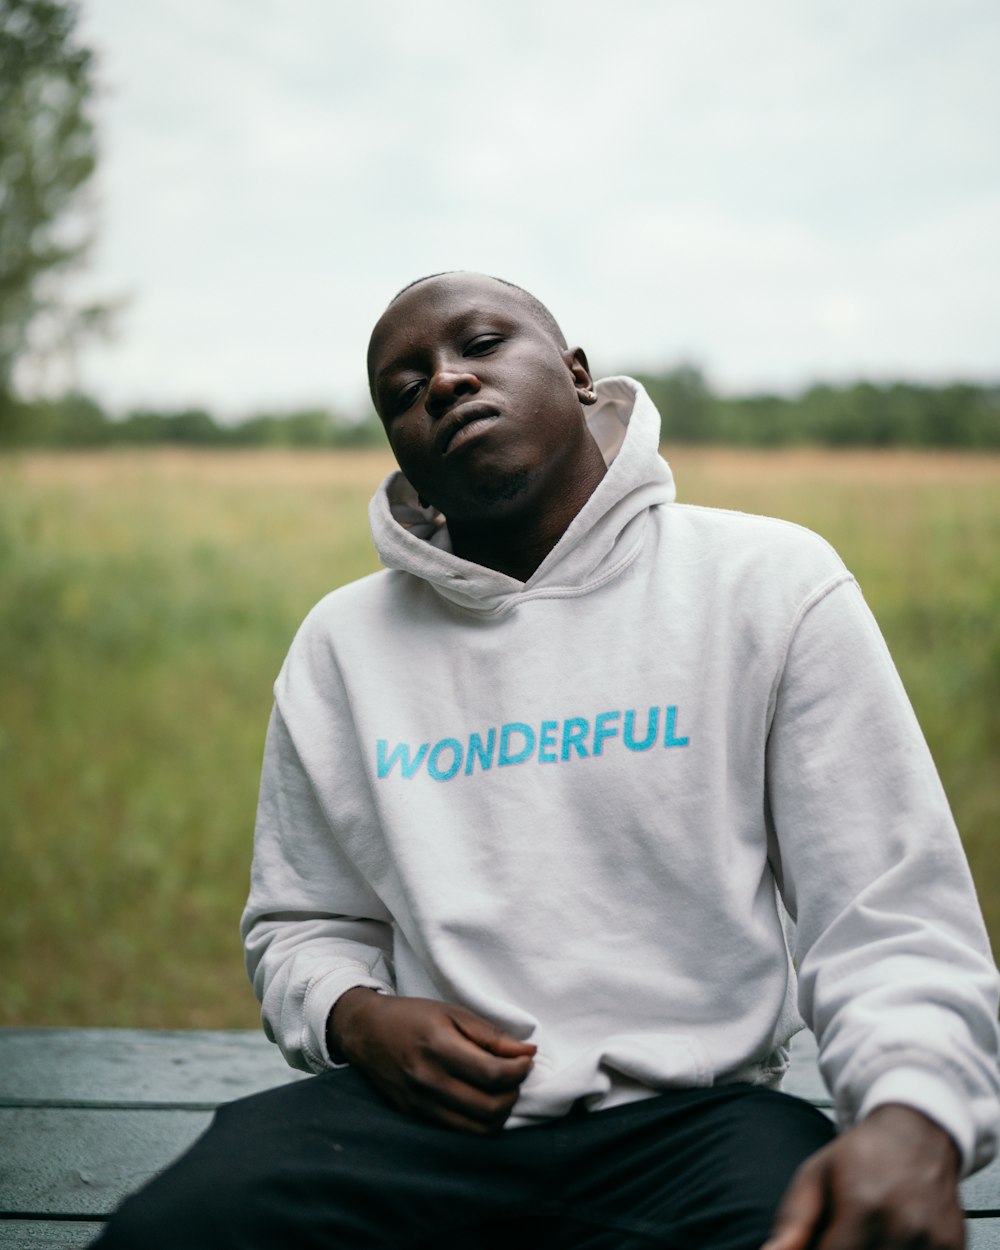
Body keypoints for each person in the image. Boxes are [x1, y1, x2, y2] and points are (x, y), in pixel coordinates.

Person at [96, 271, 1000, 1250]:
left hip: (696, 1128)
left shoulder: (769, 585)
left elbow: (888, 912)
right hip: (411, 1133)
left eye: (479, 344)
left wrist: (915, 1112)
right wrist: (358, 1017)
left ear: (576, 374)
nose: (441, 383)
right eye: (401, 391)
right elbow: (300, 921)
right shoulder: (342, 643)